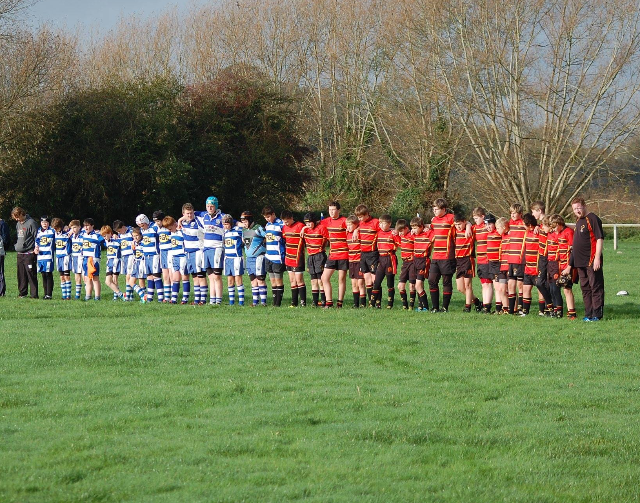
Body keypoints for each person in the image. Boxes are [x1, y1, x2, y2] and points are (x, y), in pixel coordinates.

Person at [571, 197, 605, 321]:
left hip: (591, 260)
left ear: (584, 206)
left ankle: (597, 314)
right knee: (585, 288)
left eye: (578, 207)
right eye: (574, 209)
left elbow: (599, 238)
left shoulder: (593, 218)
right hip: (580, 261)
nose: (577, 210)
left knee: (595, 286)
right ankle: (588, 314)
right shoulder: (579, 220)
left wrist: (597, 258)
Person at [194, 196, 225, 305]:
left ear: (216, 206)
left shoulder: (222, 216)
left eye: (212, 206)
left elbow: (234, 222)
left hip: (217, 248)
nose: (210, 208)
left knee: (217, 276)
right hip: (206, 249)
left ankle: (219, 300)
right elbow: (189, 213)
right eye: (208, 206)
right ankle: (212, 300)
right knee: (211, 276)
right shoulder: (204, 215)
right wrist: (180, 220)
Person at [320, 201, 348, 308]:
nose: (331, 212)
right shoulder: (326, 221)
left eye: (333, 210)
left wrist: (355, 231)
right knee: (324, 278)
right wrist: (304, 228)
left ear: (339, 210)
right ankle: (329, 302)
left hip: (344, 254)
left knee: (341, 279)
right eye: (330, 210)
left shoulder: (344, 221)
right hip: (332, 255)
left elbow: (356, 226)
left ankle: (340, 303)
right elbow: (313, 225)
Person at [550, 213, 577, 319]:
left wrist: (569, 266)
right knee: (559, 287)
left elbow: (573, 250)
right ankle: (565, 311)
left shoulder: (568, 232)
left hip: (568, 265)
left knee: (567, 288)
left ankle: (572, 313)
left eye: (555, 226)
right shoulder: (558, 233)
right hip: (560, 265)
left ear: (560, 223)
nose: (554, 230)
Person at [239, 211, 268, 307]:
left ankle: (263, 302)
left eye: (245, 221)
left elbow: (267, 236)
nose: (244, 223)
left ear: (250, 220)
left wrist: (263, 245)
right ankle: (255, 302)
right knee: (253, 280)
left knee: (260, 279)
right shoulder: (243, 230)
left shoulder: (258, 228)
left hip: (259, 258)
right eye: (242, 221)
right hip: (249, 259)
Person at [453, 214, 480, 312]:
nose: (458, 226)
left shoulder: (471, 230)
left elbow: (472, 225)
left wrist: (468, 225)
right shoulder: (454, 231)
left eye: (459, 224)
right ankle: (476, 301)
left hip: (468, 259)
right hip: (458, 261)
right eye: (456, 224)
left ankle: (467, 307)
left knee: (468, 285)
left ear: (464, 221)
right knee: (460, 287)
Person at [11, 207, 39, 298]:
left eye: (17, 217)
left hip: (29, 253)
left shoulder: (31, 223)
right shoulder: (18, 224)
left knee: (31, 274)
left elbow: (37, 237)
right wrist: (16, 245)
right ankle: (22, 293)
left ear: (22, 214)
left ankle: (34, 295)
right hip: (20, 253)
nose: (16, 219)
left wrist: (36, 248)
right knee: (21, 274)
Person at [354, 204, 379, 303]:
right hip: (363, 254)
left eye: (361, 217)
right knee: (367, 278)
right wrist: (356, 230)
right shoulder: (361, 223)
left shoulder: (376, 222)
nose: (359, 219)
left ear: (367, 214)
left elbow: (384, 231)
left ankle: (377, 301)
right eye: (358, 217)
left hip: (373, 254)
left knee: (374, 278)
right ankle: (370, 302)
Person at [281, 210, 306, 307]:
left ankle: (303, 302)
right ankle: (294, 303)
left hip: (298, 257)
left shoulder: (300, 226)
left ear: (292, 218)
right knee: (292, 280)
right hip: (288, 257)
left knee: (299, 279)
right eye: (284, 221)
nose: (285, 223)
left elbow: (309, 229)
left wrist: (304, 228)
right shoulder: (284, 228)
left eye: (287, 221)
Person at [302, 212, 327, 307]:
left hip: (319, 256)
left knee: (320, 280)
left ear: (314, 222)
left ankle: (324, 300)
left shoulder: (321, 228)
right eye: (306, 223)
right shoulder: (305, 229)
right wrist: (304, 228)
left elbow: (326, 240)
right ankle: (315, 302)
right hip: (310, 256)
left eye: (309, 223)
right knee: (313, 281)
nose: (308, 225)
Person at [372, 215, 397, 309]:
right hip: (380, 259)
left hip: (389, 259)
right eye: (380, 223)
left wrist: (396, 232)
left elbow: (400, 243)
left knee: (390, 283)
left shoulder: (393, 234)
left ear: (389, 224)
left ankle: (390, 304)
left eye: (384, 223)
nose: (381, 225)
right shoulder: (378, 233)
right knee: (377, 282)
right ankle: (373, 303)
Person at [262, 206, 286, 306]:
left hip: (278, 257)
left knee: (278, 279)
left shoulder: (281, 224)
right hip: (269, 256)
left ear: (273, 214)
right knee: (272, 280)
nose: (267, 219)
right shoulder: (267, 225)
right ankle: (274, 302)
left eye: (268, 216)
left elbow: (285, 239)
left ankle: (278, 303)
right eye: (265, 217)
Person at [410, 217, 433, 312]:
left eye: (415, 228)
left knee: (418, 285)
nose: (413, 230)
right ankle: (422, 307)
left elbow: (436, 230)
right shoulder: (414, 235)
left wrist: (428, 226)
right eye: (412, 228)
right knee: (417, 284)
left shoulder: (427, 234)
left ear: (421, 227)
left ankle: (426, 307)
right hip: (415, 260)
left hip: (423, 261)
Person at [222, 214, 245, 306]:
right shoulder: (224, 232)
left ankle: (241, 302)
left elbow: (247, 233)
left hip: (237, 258)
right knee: (230, 280)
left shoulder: (238, 231)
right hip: (228, 259)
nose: (225, 226)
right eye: (224, 224)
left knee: (238, 280)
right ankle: (231, 302)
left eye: (227, 224)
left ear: (231, 223)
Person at [395, 219, 416, 310]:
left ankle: (411, 306)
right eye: (398, 231)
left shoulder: (412, 235)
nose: (400, 233)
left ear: (406, 228)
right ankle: (404, 305)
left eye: (401, 231)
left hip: (412, 263)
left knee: (411, 285)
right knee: (400, 286)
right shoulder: (401, 237)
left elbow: (419, 245)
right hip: (404, 263)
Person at [346, 215, 365, 308]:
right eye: (347, 225)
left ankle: (363, 303)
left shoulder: (359, 233)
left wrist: (357, 230)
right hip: (351, 261)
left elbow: (364, 225)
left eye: (350, 225)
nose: (348, 227)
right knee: (354, 283)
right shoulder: (347, 234)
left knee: (360, 283)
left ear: (356, 225)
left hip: (359, 261)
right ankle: (356, 304)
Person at [100, 225, 124, 301]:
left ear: (110, 233)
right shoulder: (106, 241)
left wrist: (116, 235)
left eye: (105, 235)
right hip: (109, 262)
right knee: (107, 281)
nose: (104, 237)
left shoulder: (117, 240)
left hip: (116, 261)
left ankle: (116, 297)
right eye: (103, 236)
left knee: (114, 280)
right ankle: (121, 294)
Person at [35, 216, 55, 299]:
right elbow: (37, 241)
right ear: (41, 223)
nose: (45, 224)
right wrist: (36, 248)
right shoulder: (39, 231)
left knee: (48, 274)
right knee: (43, 274)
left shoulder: (52, 231)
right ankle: (45, 293)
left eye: (46, 222)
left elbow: (61, 232)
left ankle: (49, 294)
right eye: (43, 222)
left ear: (49, 223)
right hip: (40, 256)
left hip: (48, 256)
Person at [52, 218, 72, 300]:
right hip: (58, 257)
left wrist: (69, 229)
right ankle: (64, 295)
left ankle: (68, 295)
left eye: (57, 228)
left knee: (67, 276)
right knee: (61, 277)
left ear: (61, 227)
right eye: (54, 228)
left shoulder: (67, 234)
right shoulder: (54, 234)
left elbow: (76, 228)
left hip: (66, 257)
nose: (56, 230)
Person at [69, 220, 84, 300]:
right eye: (72, 228)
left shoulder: (83, 234)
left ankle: (88, 293)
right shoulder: (71, 235)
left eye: (75, 227)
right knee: (76, 277)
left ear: (79, 227)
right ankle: (77, 295)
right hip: (74, 257)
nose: (73, 229)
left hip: (82, 257)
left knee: (85, 277)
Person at [0, 215, 9, 296]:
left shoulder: (2, 224)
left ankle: (1, 291)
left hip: (0, 251)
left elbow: (5, 238)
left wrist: (3, 249)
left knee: (0, 272)